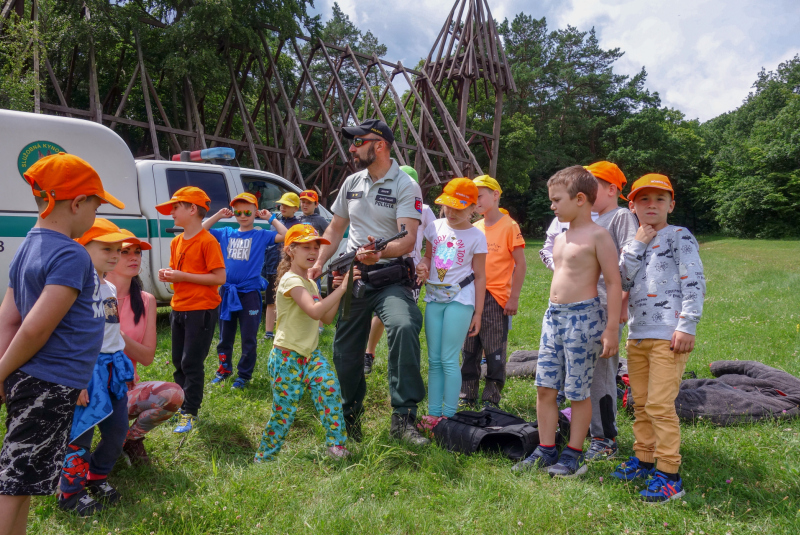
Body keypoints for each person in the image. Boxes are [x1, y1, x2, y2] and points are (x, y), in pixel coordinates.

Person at [0, 153, 123, 534]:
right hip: (50, 380)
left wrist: (5, 372)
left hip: (29, 377)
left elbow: (8, 318)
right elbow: (35, 328)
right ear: (76, 203)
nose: (96, 212)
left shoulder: (28, 246)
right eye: (96, 203)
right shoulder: (71, 253)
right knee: (14, 481)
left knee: (22, 482)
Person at [307, 118, 429, 446]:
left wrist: (380, 251)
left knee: (404, 325)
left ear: (380, 145)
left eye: (358, 142)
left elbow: (407, 239)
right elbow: (335, 229)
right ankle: (349, 419)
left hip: (390, 277)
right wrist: (320, 261)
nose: (351, 147)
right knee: (345, 351)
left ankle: (403, 418)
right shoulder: (352, 182)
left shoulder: (406, 185)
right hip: (352, 277)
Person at [514, 165, 621, 478]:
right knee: (545, 386)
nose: (552, 205)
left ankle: (573, 453)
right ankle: (546, 449)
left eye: (556, 199)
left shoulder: (599, 236)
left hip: (584, 319)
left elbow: (614, 283)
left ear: (580, 199)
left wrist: (611, 328)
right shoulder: (560, 238)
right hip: (554, 318)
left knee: (577, 391)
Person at [610, 174, 705, 502]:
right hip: (637, 335)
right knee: (641, 404)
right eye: (644, 199)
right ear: (632, 205)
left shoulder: (680, 236)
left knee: (661, 406)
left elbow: (694, 281)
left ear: (671, 205)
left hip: (669, 335)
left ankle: (669, 475)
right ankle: (645, 459)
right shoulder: (631, 243)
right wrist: (636, 243)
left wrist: (687, 325)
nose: (652, 205)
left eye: (660, 199)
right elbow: (622, 279)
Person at [254, 225, 352, 461]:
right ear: (290, 250)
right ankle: (264, 458)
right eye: (306, 247)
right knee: (284, 412)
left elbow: (326, 318)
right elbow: (315, 311)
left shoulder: (310, 283)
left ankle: (337, 447)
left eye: (316, 248)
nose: (313, 252)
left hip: (310, 355)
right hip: (286, 357)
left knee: (329, 390)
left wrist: (337, 289)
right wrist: (343, 289)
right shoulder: (291, 281)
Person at [58, 219, 134, 515]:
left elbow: (112, 333)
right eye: (107, 248)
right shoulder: (75, 286)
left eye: (119, 249)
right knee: (81, 436)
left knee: (117, 432)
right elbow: (66, 335)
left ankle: (97, 477)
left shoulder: (110, 286)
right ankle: (69, 494)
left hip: (113, 369)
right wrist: (78, 378)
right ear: (82, 247)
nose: (115, 255)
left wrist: (123, 368)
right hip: (86, 371)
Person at [105, 231, 185, 465]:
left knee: (173, 394)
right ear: (109, 257)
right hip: (89, 390)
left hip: (125, 390)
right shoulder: (91, 296)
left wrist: (116, 335)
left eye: (137, 252)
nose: (134, 258)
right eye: (125, 252)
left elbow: (148, 357)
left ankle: (130, 439)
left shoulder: (146, 300)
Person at [415, 178, 487, 426]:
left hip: (461, 300)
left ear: (473, 208)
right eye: (449, 206)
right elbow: (427, 256)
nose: (453, 212)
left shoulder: (477, 237)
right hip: (434, 298)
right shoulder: (433, 227)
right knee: (434, 359)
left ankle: (449, 416)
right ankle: (433, 414)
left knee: (448, 358)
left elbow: (480, 276)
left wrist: (477, 313)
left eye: (460, 207)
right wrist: (423, 267)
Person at [156, 187, 226, 433]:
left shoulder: (208, 241)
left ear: (192, 209)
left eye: (176, 207)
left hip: (201, 310)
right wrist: (169, 274)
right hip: (179, 308)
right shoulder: (177, 241)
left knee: (191, 362)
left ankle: (190, 412)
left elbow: (219, 277)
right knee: (178, 361)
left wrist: (181, 275)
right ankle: (179, 405)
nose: (172, 213)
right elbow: (180, 276)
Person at [581, 162, 638, 461]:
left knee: (602, 375)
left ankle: (605, 439)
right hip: (582, 308)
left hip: (606, 307)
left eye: (592, 185)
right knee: (582, 373)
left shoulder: (621, 217)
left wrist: (622, 305)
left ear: (612, 189)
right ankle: (584, 430)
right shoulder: (588, 219)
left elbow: (632, 262)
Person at [203, 193, 287, 390]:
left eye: (247, 211)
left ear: (255, 212)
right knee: (225, 336)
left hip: (249, 295)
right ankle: (224, 369)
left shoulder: (260, 235)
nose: (243, 215)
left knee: (248, 337)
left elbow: (287, 236)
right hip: (227, 293)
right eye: (238, 212)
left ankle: (244, 375)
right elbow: (199, 230)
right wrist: (217, 216)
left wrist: (271, 219)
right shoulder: (225, 232)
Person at [458, 175, 526, 409]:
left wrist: (513, 297)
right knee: (469, 348)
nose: (475, 200)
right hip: (470, 295)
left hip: (496, 299)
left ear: (495, 195)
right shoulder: (474, 227)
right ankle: (467, 395)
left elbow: (521, 264)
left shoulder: (509, 225)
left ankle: (491, 398)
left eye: (479, 195)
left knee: (494, 349)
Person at [364, 165, 436, 375]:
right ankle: (369, 353)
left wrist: (426, 261)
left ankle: (400, 366)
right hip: (385, 264)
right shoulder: (383, 204)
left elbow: (432, 236)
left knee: (405, 315)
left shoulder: (423, 209)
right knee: (380, 311)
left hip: (410, 269)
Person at [262, 192, 303, 341]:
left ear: (295, 209)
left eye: (287, 205)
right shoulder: (276, 221)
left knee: (287, 301)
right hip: (272, 266)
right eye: (281, 204)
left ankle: (286, 331)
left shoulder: (298, 226)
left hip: (287, 269)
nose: (283, 207)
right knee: (271, 300)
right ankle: (268, 333)